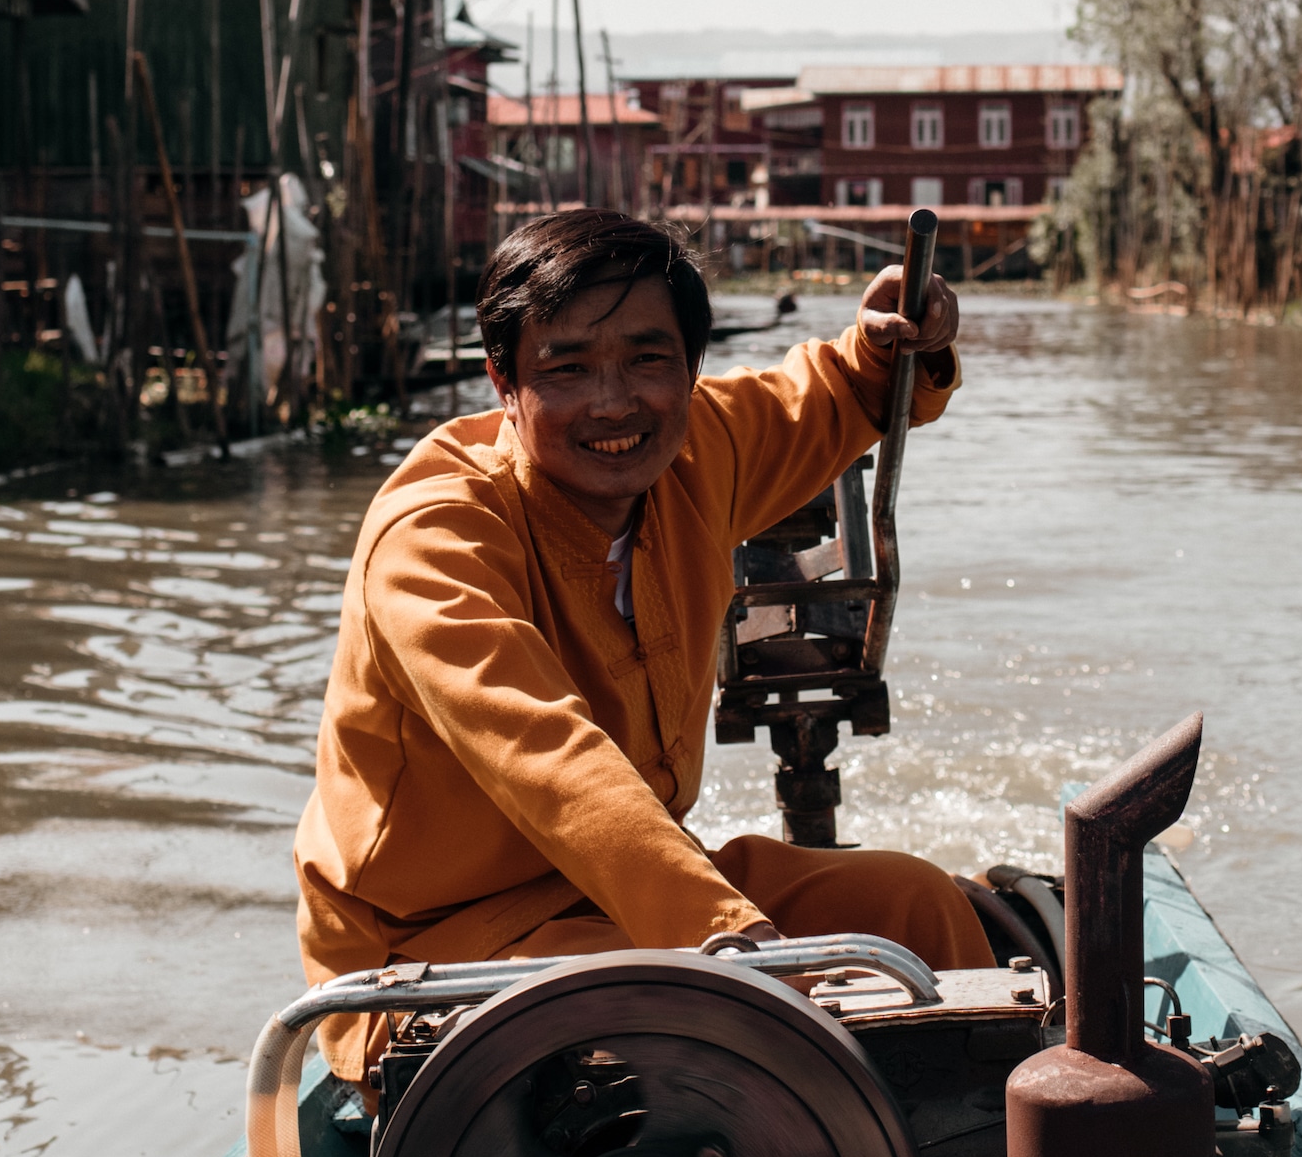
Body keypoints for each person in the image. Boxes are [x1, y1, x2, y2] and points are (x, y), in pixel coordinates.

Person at [294, 210, 993, 1082]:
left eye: (648, 359)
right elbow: (547, 759)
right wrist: (733, 944)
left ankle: (986, 1155)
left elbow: (837, 394)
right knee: (688, 1018)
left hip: (622, 892)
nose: (614, 402)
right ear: (503, 383)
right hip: (431, 948)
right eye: (567, 368)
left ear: (690, 370)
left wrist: (896, 341)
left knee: (912, 904)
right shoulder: (435, 538)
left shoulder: (698, 449)